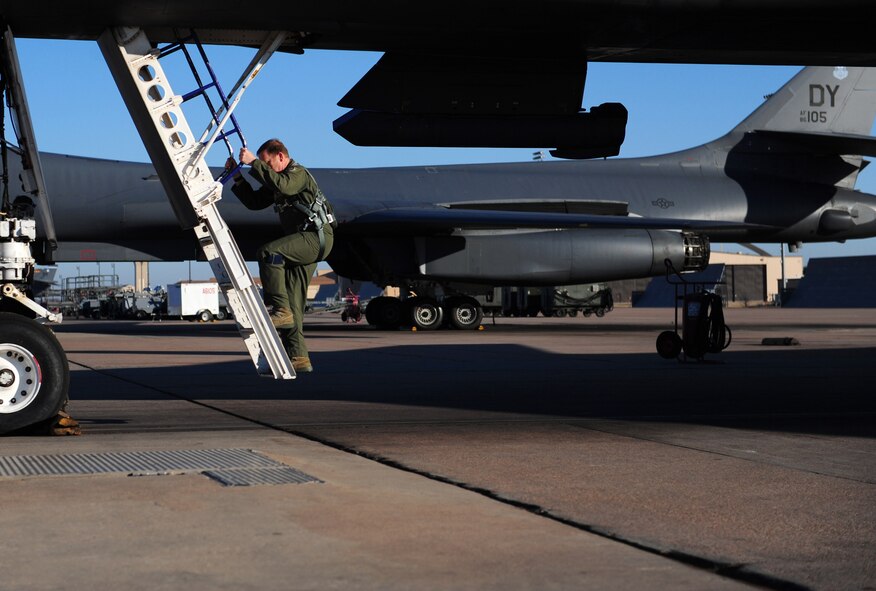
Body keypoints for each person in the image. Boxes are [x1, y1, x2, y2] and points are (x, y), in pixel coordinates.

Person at [228, 138, 335, 374]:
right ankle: (299, 356)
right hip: (304, 242)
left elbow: (284, 186)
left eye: (267, 163)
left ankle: (279, 309)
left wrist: (254, 163)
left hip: (315, 238)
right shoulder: (277, 180)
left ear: (281, 157)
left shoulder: (297, 174)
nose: (265, 168)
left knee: (268, 253)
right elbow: (255, 203)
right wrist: (238, 178)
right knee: (293, 301)